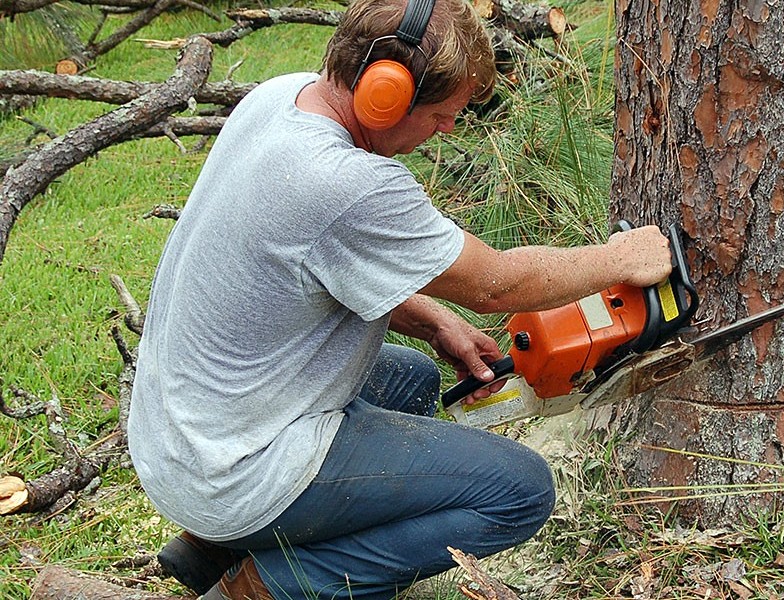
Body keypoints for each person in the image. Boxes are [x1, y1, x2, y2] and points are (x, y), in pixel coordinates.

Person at [125, 0, 673, 598]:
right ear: (384, 95)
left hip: (177, 440)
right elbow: (499, 286)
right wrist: (620, 260)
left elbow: (316, 264)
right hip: (232, 473)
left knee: (412, 379)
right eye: (441, 114)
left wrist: (435, 323)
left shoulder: (278, 100)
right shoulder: (345, 183)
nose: (448, 130)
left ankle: (212, 545)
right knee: (520, 492)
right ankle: (266, 583)